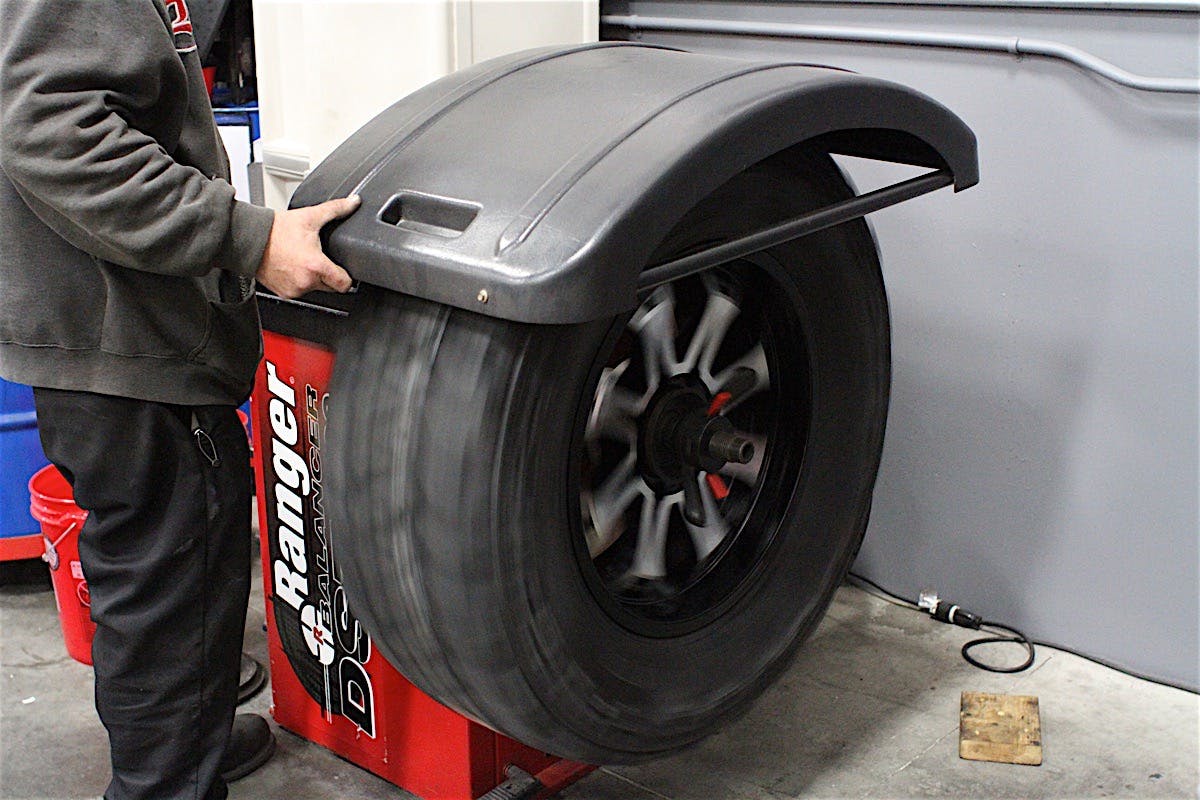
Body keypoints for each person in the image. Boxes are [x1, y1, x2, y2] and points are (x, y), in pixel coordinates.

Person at [0, 2, 359, 798]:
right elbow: (51, 131)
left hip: (107, 333)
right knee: (170, 588)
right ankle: (163, 781)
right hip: (132, 344)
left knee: (166, 590)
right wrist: (248, 238)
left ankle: (182, 745)